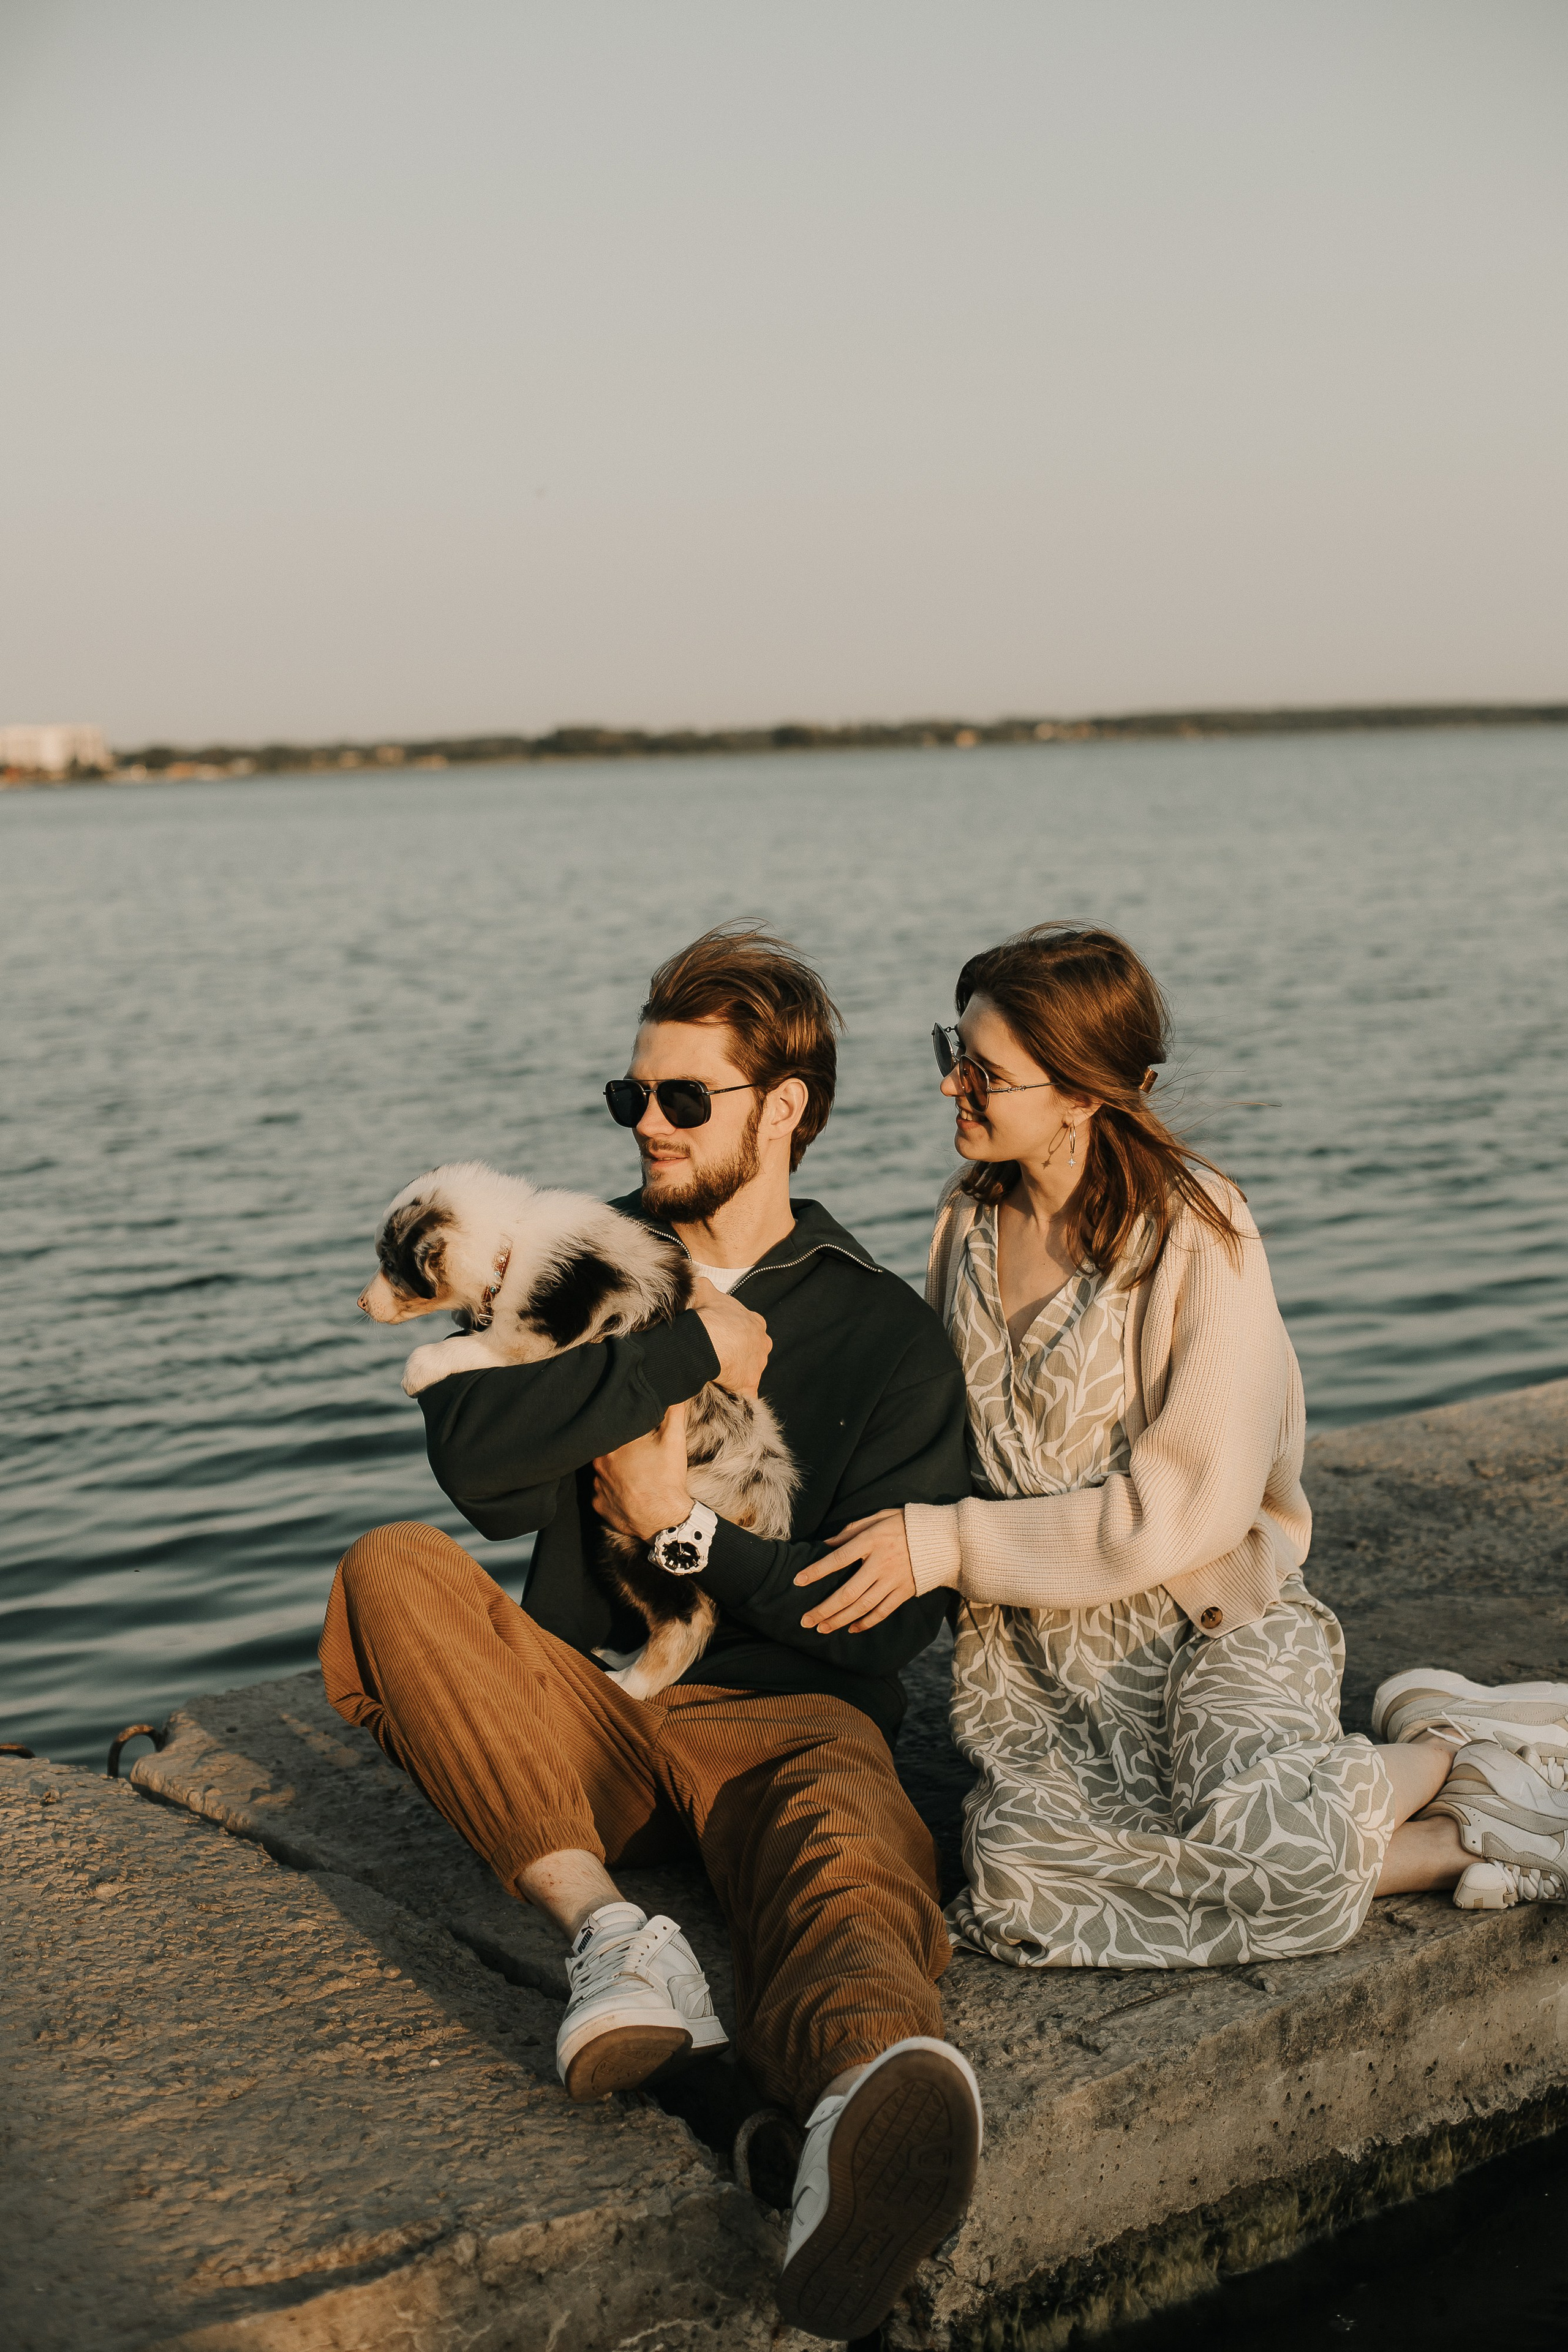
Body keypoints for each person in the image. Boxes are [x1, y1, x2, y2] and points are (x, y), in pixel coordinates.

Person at [318, 924, 982, 2343]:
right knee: (387, 1573)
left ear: (785, 1108)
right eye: (633, 1097)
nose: (649, 1127)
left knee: (851, 1855)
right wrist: (682, 1354)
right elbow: (475, 1468)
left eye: (686, 1099)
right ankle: (613, 1937)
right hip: (591, 1713)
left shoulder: (881, 1333)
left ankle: (863, 2120)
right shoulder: (581, 1261)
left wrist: (687, 1529)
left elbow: (874, 1636)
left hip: (787, 1720)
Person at [798, 922, 1568, 1969]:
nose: (952, 1088)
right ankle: (1447, 1792)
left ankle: (1447, 1769)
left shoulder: (1199, 1233)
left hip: (1205, 1627)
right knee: (1012, 1881)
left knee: (1271, 1850)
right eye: (953, 1053)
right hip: (1036, 1664)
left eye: (983, 1071)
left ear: (1081, 1094)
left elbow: (1188, 1513)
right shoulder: (965, 1219)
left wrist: (944, 1546)